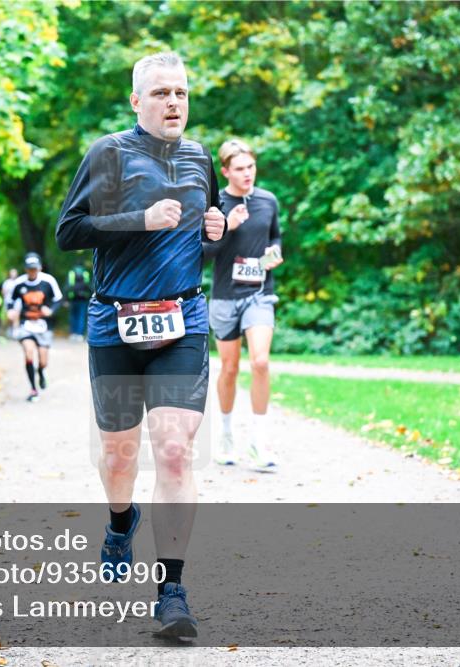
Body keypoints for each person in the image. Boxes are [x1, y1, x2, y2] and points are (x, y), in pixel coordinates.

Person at [56, 51, 225, 639]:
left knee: (175, 450)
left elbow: (203, 233)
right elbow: (69, 231)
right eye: (160, 94)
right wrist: (139, 219)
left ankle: (171, 590)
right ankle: (120, 519)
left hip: (182, 318)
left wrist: (216, 230)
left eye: (180, 92)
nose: (173, 103)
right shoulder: (109, 153)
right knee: (120, 457)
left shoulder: (202, 156)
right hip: (115, 322)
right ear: (136, 101)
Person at [203, 139, 283, 471]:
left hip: (259, 294)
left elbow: (275, 236)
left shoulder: (268, 201)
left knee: (261, 362)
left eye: (250, 167)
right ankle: (225, 434)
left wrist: (275, 253)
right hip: (224, 297)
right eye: (239, 169)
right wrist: (228, 227)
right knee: (231, 368)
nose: (247, 173)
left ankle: (260, 440)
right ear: (225, 171)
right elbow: (202, 252)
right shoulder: (215, 204)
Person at [7, 253, 62, 402]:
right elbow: (10, 300)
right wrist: (11, 310)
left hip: (43, 326)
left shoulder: (48, 281)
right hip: (26, 325)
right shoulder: (19, 283)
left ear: (40, 268)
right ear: (25, 269)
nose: (32, 271)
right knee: (29, 353)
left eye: (35, 269)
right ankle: (33, 389)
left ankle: (41, 372)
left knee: (43, 361)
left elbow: (58, 299)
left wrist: (50, 310)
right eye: (30, 269)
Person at [66, 264, 92, 341]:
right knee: (81, 317)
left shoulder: (71, 273)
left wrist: (65, 299)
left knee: (73, 317)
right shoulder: (85, 273)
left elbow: (67, 287)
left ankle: (73, 334)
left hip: (73, 299)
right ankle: (80, 334)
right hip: (83, 299)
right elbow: (90, 287)